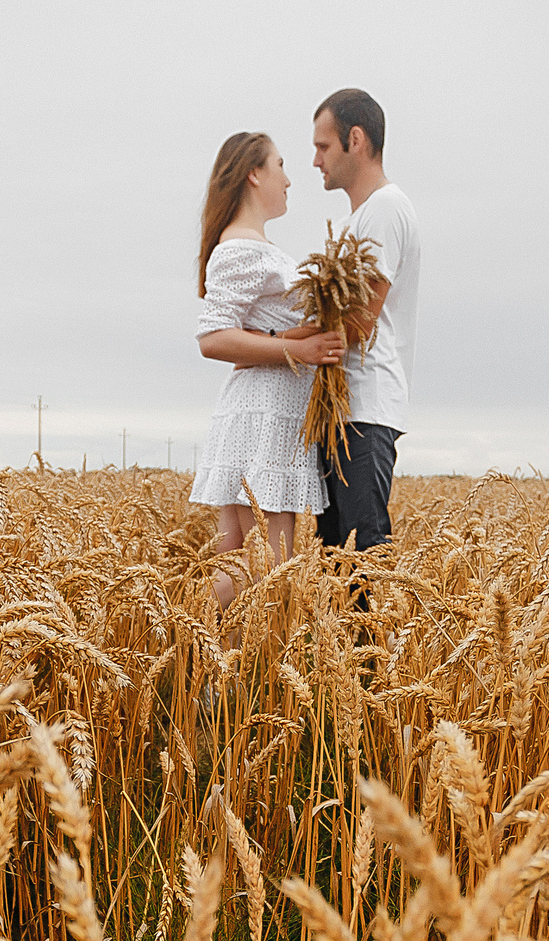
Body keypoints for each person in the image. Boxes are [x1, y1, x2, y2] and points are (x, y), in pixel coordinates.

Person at [190, 131, 346, 608]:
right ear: (254, 174)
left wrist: (293, 340)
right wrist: (299, 351)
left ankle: (209, 676)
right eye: (280, 165)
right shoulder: (242, 249)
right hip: (264, 417)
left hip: (258, 411)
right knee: (270, 575)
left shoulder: (250, 246)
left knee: (236, 567)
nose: (290, 179)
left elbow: (247, 344)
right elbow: (214, 339)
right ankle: (215, 673)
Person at [310, 88, 420, 560]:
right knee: (337, 562)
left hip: (365, 409)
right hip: (344, 411)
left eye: (322, 146)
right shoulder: (362, 217)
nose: (315, 161)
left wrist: (277, 342)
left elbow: (358, 321)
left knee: (363, 563)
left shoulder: (385, 208)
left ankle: (375, 640)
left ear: (355, 139)